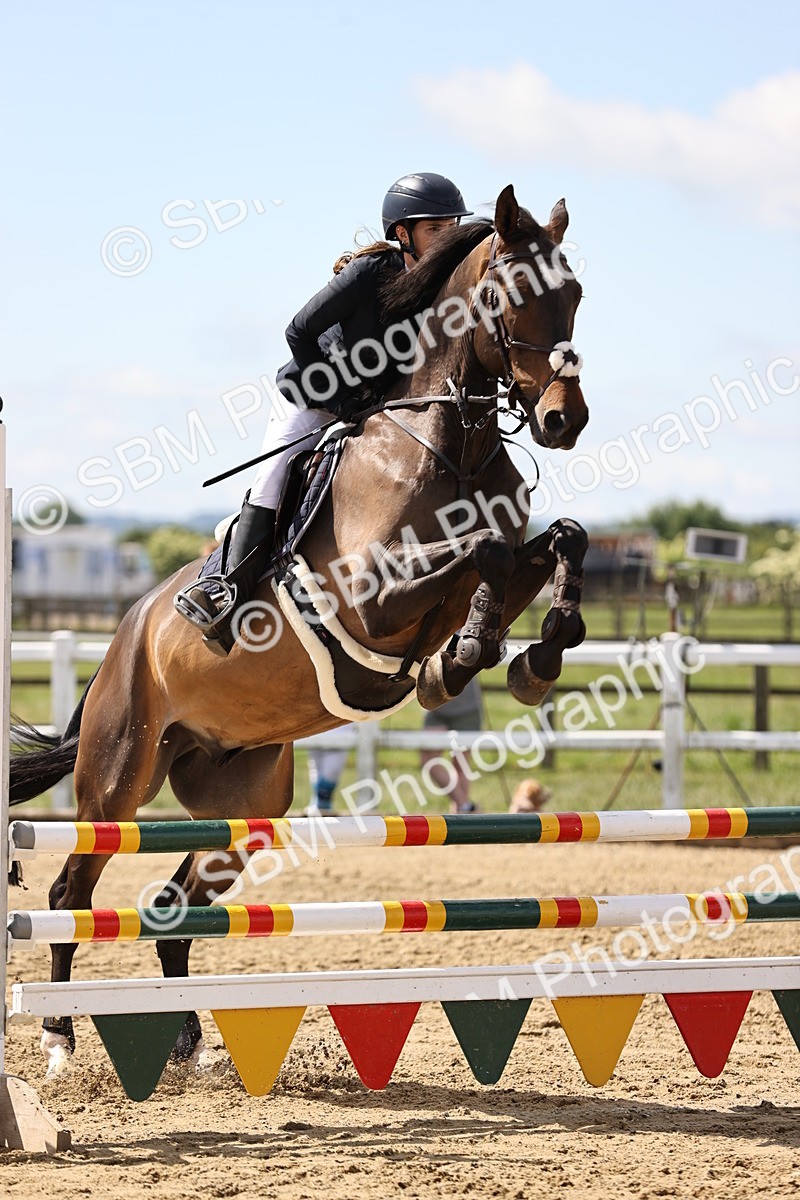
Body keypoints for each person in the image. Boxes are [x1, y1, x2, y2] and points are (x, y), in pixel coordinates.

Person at [175, 173, 472, 653]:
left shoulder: (443, 288)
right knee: (272, 482)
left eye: (451, 227)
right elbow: (298, 331)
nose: (447, 238)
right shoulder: (369, 274)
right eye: (435, 230)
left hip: (375, 406)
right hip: (311, 395)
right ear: (403, 233)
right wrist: (337, 401)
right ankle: (221, 588)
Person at [420, 677, 483, 814]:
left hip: (467, 707)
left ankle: (462, 812)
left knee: (461, 764)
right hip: (435, 705)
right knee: (429, 760)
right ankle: (465, 806)